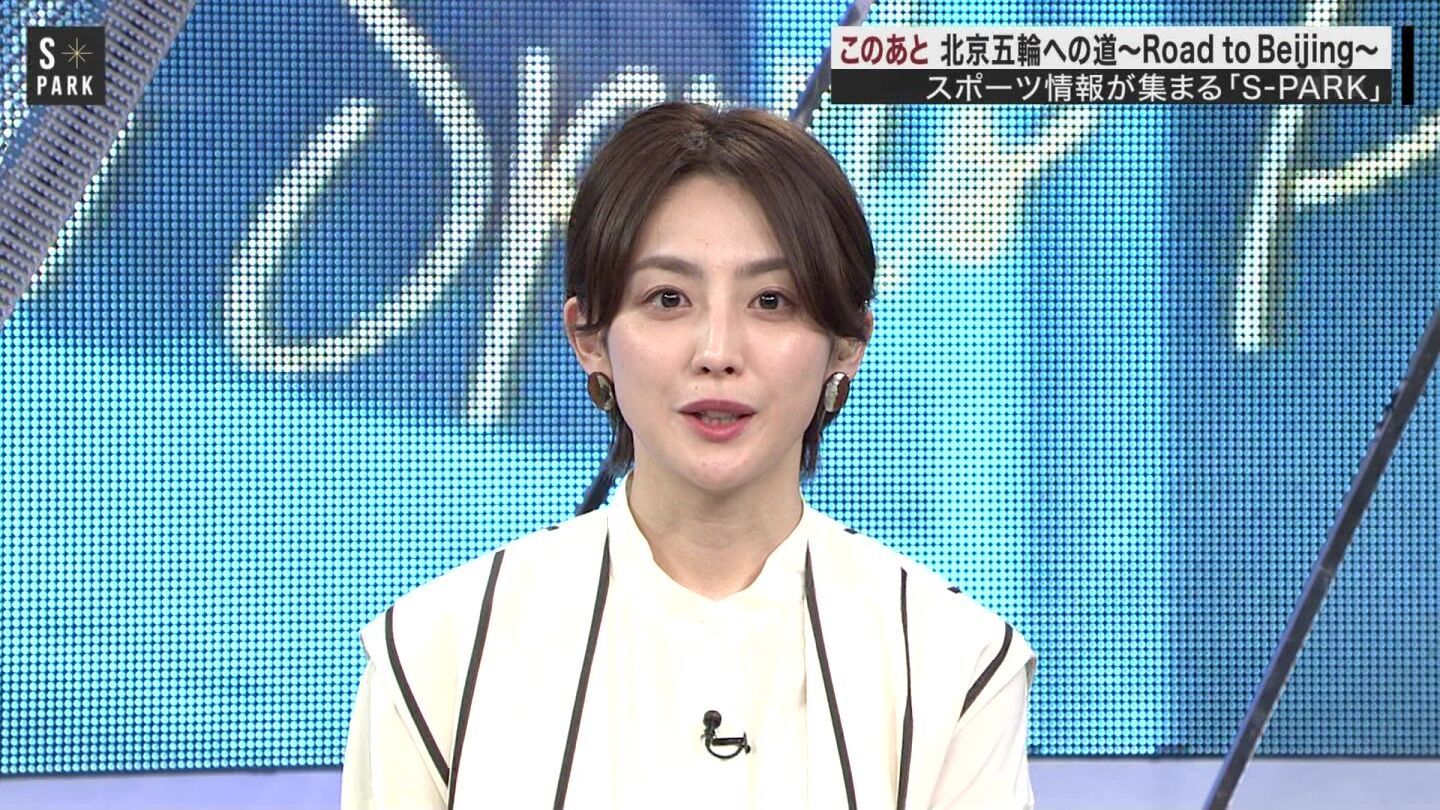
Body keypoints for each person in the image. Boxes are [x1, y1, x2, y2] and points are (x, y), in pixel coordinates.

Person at [340, 101, 1036, 810]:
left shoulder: (956, 663)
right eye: (669, 298)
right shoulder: (435, 656)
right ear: (588, 337)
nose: (717, 352)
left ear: (849, 343)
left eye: (772, 301)